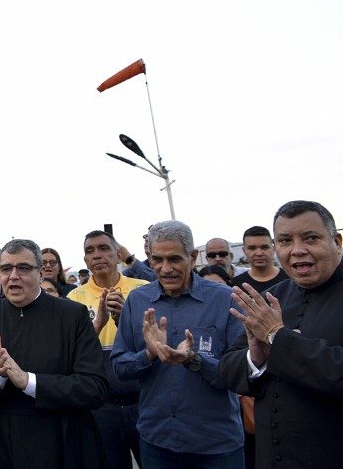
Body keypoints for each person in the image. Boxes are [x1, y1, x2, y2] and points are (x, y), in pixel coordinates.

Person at [219, 200, 343, 468]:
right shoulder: (271, 298)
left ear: (337, 241)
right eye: (285, 241)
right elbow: (228, 369)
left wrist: (277, 336)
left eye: (311, 238)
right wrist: (256, 357)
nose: (297, 250)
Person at [111, 221, 245, 468]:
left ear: (193, 257)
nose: (165, 268)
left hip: (216, 445)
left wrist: (194, 360)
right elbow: (120, 367)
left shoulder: (225, 299)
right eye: (157, 259)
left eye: (174, 259)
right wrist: (149, 355)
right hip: (157, 443)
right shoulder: (137, 301)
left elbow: (240, 374)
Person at [0, 238, 108, 468]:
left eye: (23, 268)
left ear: (41, 273)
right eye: (6, 268)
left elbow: (95, 388)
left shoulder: (73, 316)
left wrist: (29, 382)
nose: (13, 276)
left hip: (60, 438)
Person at [68, 230, 147, 469]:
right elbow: (73, 352)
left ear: (118, 254)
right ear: (85, 261)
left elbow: (157, 342)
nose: (97, 255)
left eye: (103, 248)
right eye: (90, 251)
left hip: (144, 401)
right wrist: (98, 324)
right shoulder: (74, 298)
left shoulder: (142, 289)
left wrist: (126, 318)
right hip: (102, 407)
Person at [231, 226, 289, 294]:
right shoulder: (236, 284)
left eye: (264, 247)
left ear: (274, 249)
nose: (259, 253)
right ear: (244, 251)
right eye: (252, 248)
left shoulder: (290, 278)